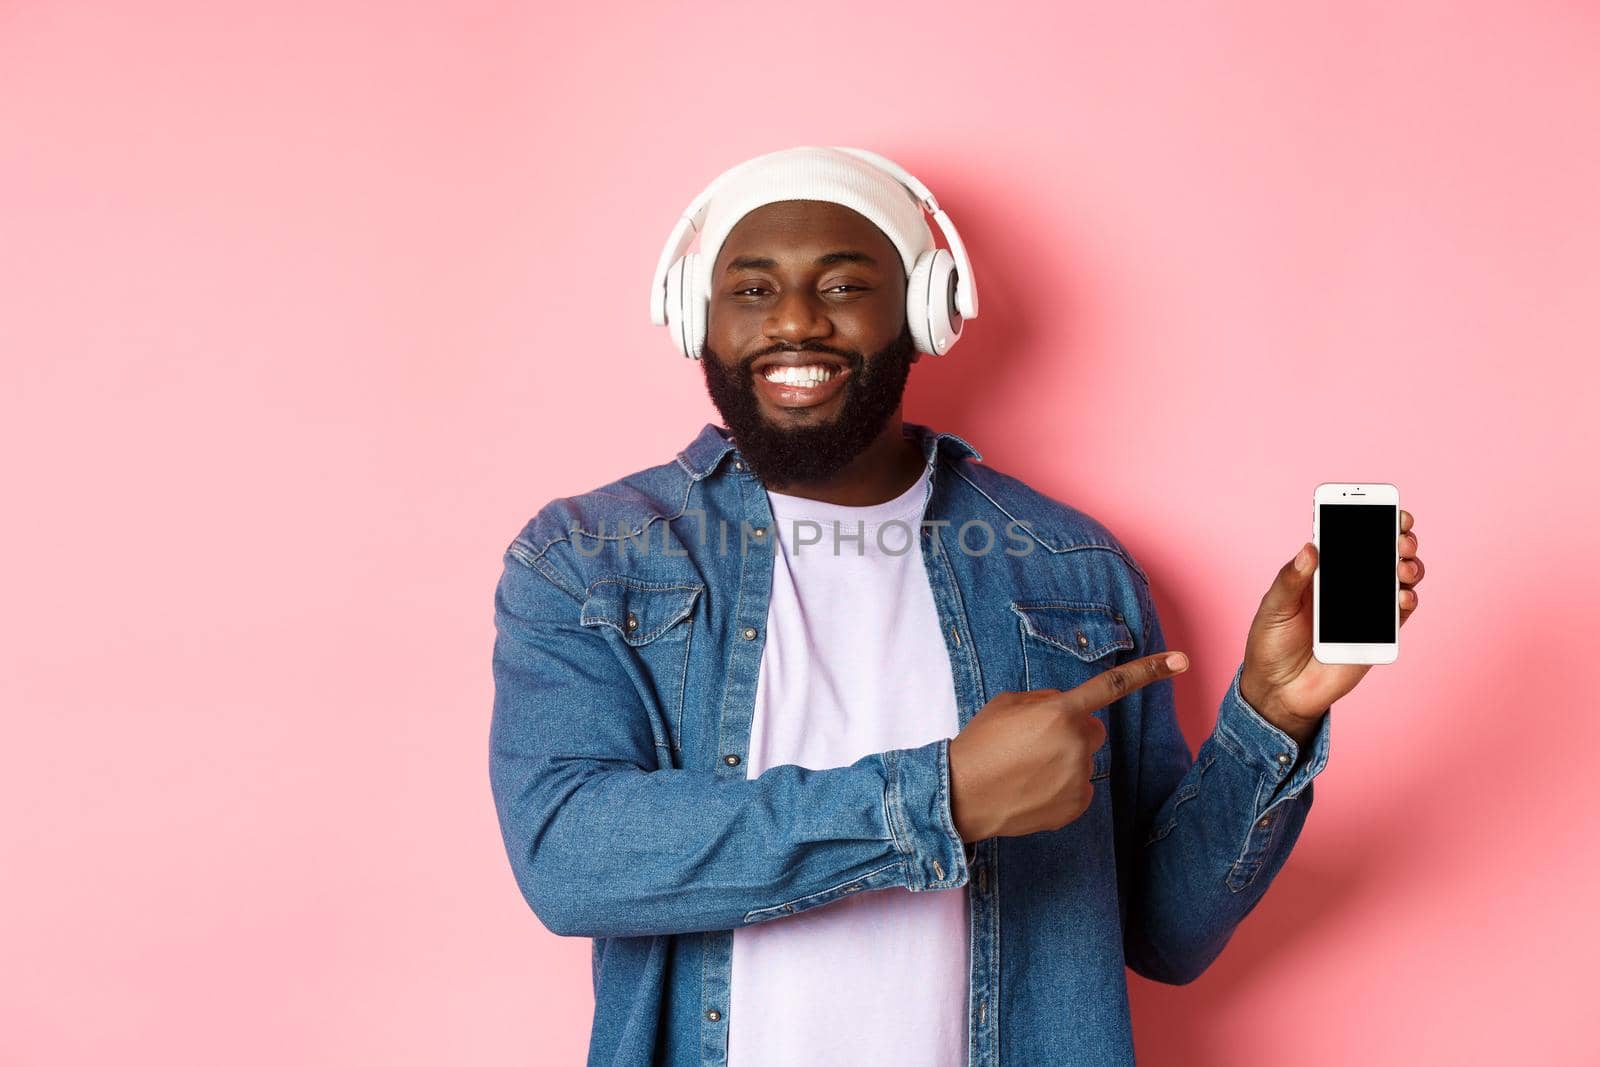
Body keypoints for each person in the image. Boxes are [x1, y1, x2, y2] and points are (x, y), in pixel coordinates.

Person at [488, 145, 1427, 1066]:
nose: (797, 322)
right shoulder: (592, 555)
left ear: (925, 313)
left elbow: (1166, 934)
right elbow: (570, 858)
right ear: (698, 314)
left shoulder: (1071, 570)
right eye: (753, 288)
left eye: (846, 285)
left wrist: (1273, 714)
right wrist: (940, 798)